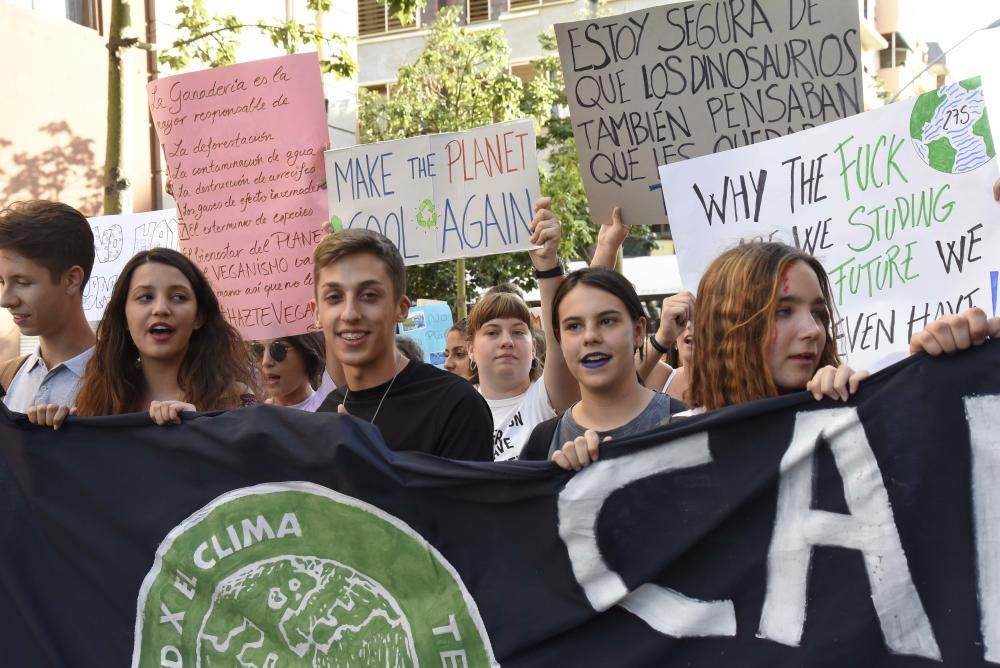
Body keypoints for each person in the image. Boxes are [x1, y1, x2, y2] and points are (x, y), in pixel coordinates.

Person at [313, 229, 493, 461]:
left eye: (368, 295)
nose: (350, 314)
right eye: (334, 297)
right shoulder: (326, 414)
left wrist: (377, 466)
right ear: (317, 312)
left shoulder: (455, 405)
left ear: (402, 308)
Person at [28, 248, 259, 427]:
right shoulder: (98, 401)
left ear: (198, 317)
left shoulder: (235, 400)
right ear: (124, 318)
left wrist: (204, 429)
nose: (161, 309)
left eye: (178, 297)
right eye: (146, 297)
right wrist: (51, 431)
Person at [520, 267, 686, 467]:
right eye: (574, 326)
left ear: (638, 331)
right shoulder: (542, 443)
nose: (590, 336)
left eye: (607, 321)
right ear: (560, 339)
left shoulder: (683, 425)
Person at [466, 198, 579, 461]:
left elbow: (560, 334)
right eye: (492, 332)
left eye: (518, 332)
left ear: (535, 346)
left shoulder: (544, 399)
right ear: (470, 348)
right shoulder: (452, 407)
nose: (506, 341)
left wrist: (547, 266)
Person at [0, 201, 96, 411]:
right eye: (1, 282)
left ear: (71, 280)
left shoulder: (128, 384)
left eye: (22, 282)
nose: (5, 300)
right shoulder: (7, 378)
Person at [254, 333, 330, 411]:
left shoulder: (327, 411)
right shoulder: (253, 416)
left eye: (278, 349)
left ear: (306, 352)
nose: (265, 362)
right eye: (257, 350)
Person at [644, 320, 692, 402]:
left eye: (698, 318)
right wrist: (662, 336)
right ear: (675, 342)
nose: (688, 325)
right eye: (682, 319)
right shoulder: (662, 377)